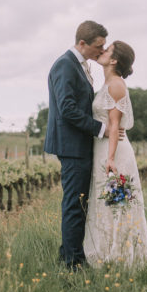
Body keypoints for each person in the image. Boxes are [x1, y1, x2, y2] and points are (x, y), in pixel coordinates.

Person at [45, 20, 116, 270]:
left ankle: (69, 253)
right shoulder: (65, 65)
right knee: (75, 204)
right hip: (72, 146)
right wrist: (101, 128)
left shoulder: (79, 65)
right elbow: (67, 109)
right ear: (83, 43)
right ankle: (72, 263)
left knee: (78, 202)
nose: (102, 50)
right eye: (99, 45)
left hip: (77, 145)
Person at [84, 40, 147, 268]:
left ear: (113, 60)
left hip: (113, 152)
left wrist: (111, 159)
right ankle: (107, 254)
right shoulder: (107, 83)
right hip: (103, 148)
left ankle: (123, 258)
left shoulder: (116, 85)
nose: (102, 51)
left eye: (108, 49)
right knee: (106, 203)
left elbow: (114, 125)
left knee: (117, 203)